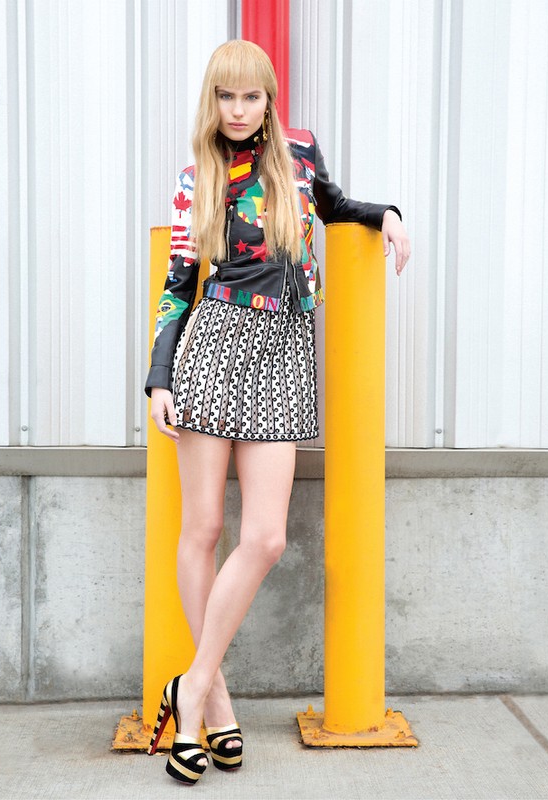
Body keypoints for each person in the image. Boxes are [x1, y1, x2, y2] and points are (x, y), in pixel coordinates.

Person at [144, 39, 410, 785]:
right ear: (212, 102)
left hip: (284, 352)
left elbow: (337, 207)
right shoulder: (195, 180)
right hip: (213, 345)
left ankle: (191, 683)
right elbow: (178, 286)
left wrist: (385, 214)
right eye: (225, 97)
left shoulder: (297, 156)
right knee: (202, 528)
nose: (237, 110)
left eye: (250, 96)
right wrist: (159, 377)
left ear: (268, 100)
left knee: (263, 537)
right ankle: (214, 702)